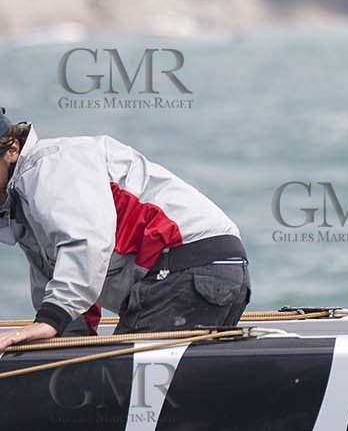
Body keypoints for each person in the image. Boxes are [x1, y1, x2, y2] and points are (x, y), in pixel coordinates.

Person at [0, 112, 251, 351]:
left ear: (12, 149)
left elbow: (87, 243)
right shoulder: (23, 204)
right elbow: (65, 278)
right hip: (210, 271)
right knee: (104, 380)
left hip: (190, 269)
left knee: (120, 386)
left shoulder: (48, 167)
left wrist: (51, 320)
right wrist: (61, 336)